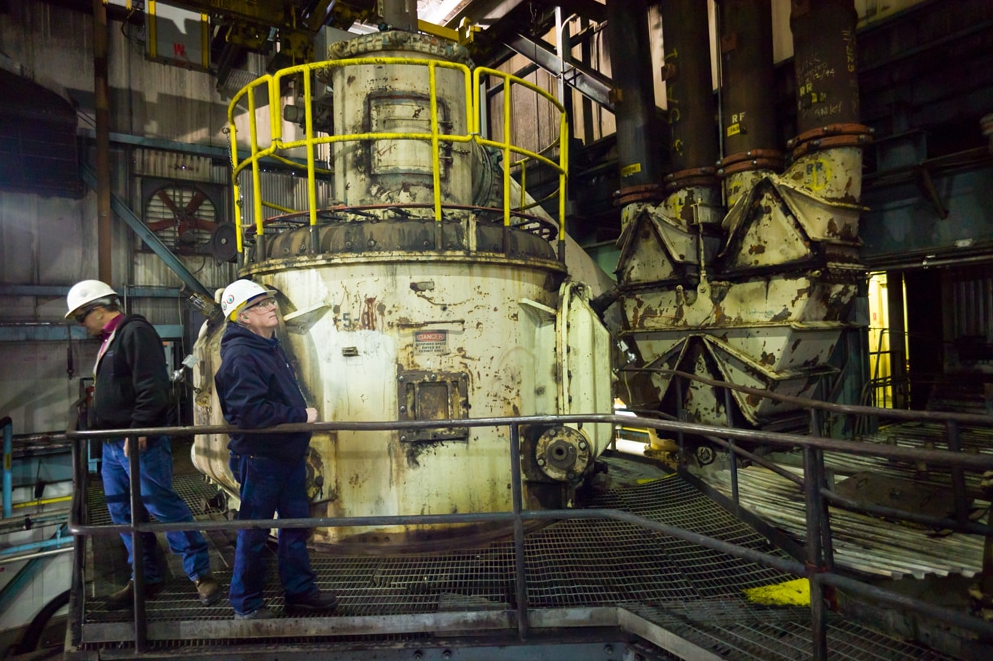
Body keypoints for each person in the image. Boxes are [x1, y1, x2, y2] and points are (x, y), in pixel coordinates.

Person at [65, 279, 221, 608]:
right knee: (122, 511)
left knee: (160, 504)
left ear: (97, 310)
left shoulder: (134, 333)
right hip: (112, 444)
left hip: (136, 441)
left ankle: (200, 574)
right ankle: (145, 576)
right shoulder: (113, 339)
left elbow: (153, 388)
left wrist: (139, 431)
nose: (82, 327)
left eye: (82, 318)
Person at [214, 279, 338, 620]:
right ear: (242, 318)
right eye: (259, 305)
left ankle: (299, 592)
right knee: (254, 533)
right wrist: (300, 415)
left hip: (285, 455)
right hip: (261, 459)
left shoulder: (269, 346)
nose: (271, 306)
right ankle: (247, 605)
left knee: (295, 526)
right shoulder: (241, 355)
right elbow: (249, 413)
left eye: (268, 300)